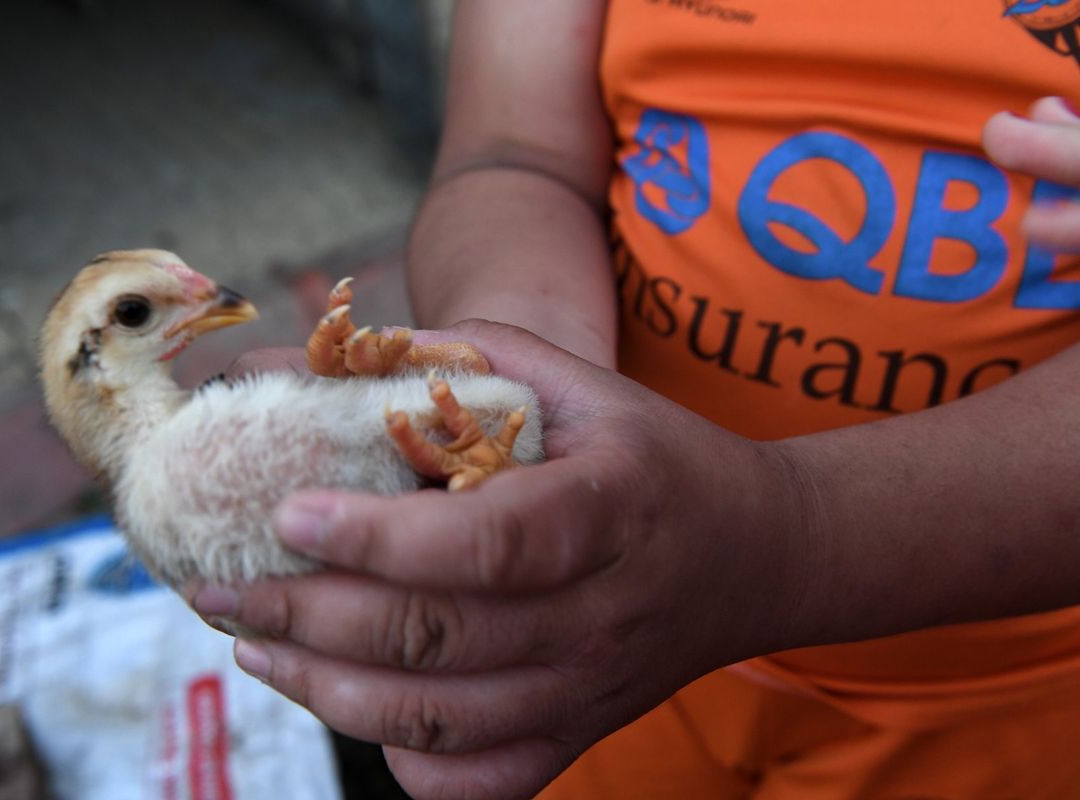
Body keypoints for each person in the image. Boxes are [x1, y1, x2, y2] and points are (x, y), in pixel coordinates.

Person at [190, 2, 1080, 797]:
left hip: (1003, 681)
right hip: (611, 626)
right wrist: (515, 418)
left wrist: (782, 538)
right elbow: (515, 153)